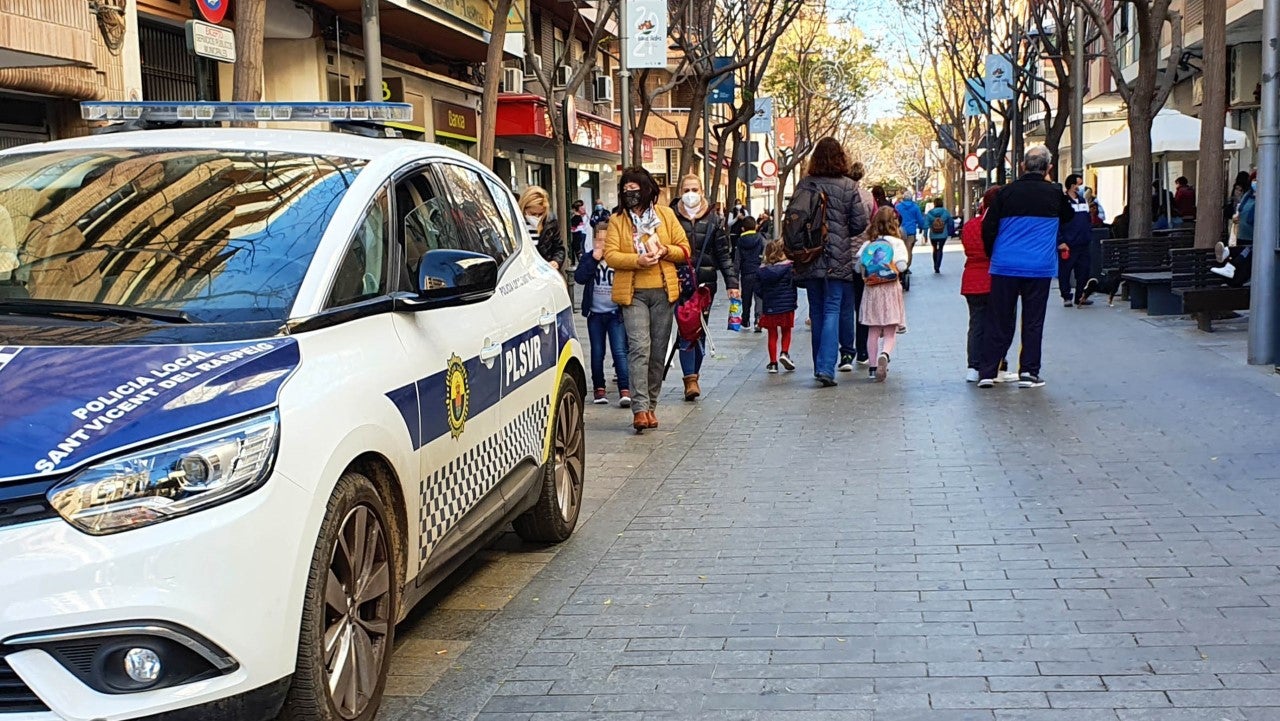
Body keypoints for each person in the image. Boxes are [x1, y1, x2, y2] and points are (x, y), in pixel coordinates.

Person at [977, 145, 1075, 389]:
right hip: (1038, 267)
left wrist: (993, 255)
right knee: (1033, 321)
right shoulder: (1054, 193)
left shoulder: (1005, 193)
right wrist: (1052, 184)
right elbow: (1069, 215)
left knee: (998, 319)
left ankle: (988, 371)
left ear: (1022, 166)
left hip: (1005, 266)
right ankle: (1029, 372)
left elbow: (987, 227)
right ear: (1049, 168)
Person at [603, 167, 691, 431]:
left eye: (634, 188)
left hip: (664, 292)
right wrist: (637, 261)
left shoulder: (665, 215)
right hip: (633, 293)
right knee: (640, 347)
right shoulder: (618, 220)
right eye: (625, 189)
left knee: (657, 352)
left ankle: (652, 404)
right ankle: (639, 409)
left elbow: (684, 249)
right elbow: (611, 255)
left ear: (647, 188)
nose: (630, 194)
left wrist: (665, 250)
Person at [790, 136, 870, 387]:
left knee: (816, 310)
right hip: (838, 256)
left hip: (810, 254)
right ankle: (826, 367)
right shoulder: (848, 186)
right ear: (840, 158)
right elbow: (859, 224)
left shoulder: (805, 184)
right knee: (833, 309)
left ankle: (819, 366)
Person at [672, 173, 740, 401]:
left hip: (705, 286)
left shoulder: (714, 219)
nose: (690, 194)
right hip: (679, 283)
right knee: (685, 329)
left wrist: (732, 283)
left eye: (695, 189)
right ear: (680, 191)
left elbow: (723, 253)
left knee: (699, 331)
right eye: (686, 189)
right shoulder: (671, 217)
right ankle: (689, 378)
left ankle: (694, 375)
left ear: (702, 192)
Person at [961, 186, 1018, 384]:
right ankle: (996, 365)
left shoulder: (969, 226)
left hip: (971, 279)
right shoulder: (1003, 226)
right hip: (995, 278)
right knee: (1000, 325)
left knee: (976, 324)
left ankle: (973, 366)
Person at [574, 222, 632, 407]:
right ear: (593, 241)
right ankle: (599, 388)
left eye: (607, 240)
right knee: (597, 352)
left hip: (615, 313)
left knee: (619, 351)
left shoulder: (618, 259)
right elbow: (580, 278)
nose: (603, 244)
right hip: (595, 314)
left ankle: (625, 388)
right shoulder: (589, 258)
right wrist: (593, 260)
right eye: (599, 240)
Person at [855, 208, 909, 382]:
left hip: (872, 290)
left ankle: (872, 367)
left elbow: (858, 268)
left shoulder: (868, 244)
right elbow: (901, 266)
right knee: (889, 330)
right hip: (891, 288)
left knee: (873, 330)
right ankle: (884, 354)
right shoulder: (897, 243)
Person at [843, 161, 876, 369]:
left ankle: (846, 352)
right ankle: (863, 350)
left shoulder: (840, 193)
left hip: (842, 257)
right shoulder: (868, 197)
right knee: (862, 307)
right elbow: (873, 226)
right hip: (863, 259)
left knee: (844, 307)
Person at [757, 239, 798, 373]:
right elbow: (794, 283)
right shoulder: (789, 267)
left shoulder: (761, 271)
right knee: (786, 330)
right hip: (787, 305)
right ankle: (784, 353)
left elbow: (757, 289)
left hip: (770, 306)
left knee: (772, 334)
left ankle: (773, 363)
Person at [1214, 171, 1257, 284]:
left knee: (1244, 255)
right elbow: (1239, 211)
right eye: (1254, 180)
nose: (1256, 183)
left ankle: (1228, 260)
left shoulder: (1265, 199)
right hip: (1241, 234)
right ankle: (1227, 256)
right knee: (1241, 254)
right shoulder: (1248, 196)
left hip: (1254, 237)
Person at [1058, 174, 1094, 307]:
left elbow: (1087, 219)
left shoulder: (1083, 200)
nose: (1082, 186)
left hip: (1083, 243)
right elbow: (1058, 222)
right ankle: (1066, 296)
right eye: (1079, 184)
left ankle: (1080, 296)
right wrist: (1060, 241)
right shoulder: (1062, 201)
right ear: (1073, 186)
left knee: (1084, 270)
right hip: (1068, 243)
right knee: (1065, 271)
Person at [518, 186, 564, 270]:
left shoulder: (550, 221)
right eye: (532, 213)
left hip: (545, 272)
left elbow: (559, 247)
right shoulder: (515, 222)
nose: (537, 217)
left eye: (540, 214)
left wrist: (556, 261)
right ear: (524, 207)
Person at [736, 216, 764, 332]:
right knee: (759, 298)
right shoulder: (760, 239)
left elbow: (737, 260)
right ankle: (758, 320)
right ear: (755, 226)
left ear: (743, 228)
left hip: (746, 273)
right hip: (759, 272)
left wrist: (734, 278)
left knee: (746, 298)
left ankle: (745, 320)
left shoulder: (740, 241)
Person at [924, 196, 954, 274]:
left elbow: (926, 225)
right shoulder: (945, 212)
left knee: (934, 249)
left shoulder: (930, 213)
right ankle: (938, 265)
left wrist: (925, 235)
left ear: (934, 204)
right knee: (940, 249)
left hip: (933, 235)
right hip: (943, 235)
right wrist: (951, 233)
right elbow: (951, 222)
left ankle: (935, 265)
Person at [569, 199, 587, 264]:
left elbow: (573, 228)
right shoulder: (579, 217)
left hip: (577, 234)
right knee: (577, 248)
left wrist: (571, 229)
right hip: (580, 234)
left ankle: (580, 263)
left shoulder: (576, 217)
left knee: (578, 249)